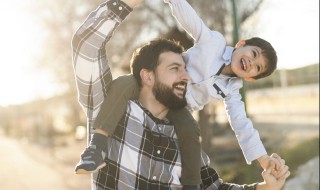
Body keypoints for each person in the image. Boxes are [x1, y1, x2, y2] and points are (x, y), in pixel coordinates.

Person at [72, 0, 290, 189]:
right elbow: (190, 19)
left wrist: (263, 163)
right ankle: (98, 144)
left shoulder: (232, 92)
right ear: (241, 44)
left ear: (251, 78)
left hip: (182, 109)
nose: (251, 62)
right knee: (123, 82)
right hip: (131, 96)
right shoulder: (213, 42)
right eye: (253, 54)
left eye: (257, 67)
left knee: (191, 131)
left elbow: (241, 124)